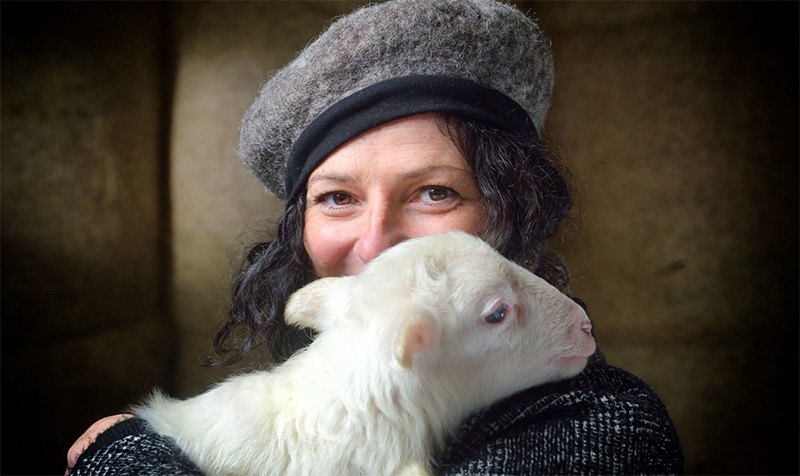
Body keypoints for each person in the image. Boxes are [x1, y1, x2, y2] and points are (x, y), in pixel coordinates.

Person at [66, 0, 684, 474]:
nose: (378, 245)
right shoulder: (306, 407)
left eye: (434, 192)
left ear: (510, 213)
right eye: (338, 198)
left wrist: (123, 457)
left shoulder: (602, 427)